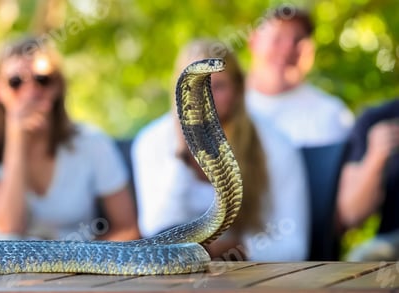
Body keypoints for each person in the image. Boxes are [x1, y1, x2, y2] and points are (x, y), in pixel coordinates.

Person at [132, 39, 310, 261]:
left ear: (238, 89)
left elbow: (294, 244)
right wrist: (182, 155)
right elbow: (156, 228)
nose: (206, 97)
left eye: (218, 86)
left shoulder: (277, 146)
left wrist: (235, 250)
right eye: (197, 86)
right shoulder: (151, 141)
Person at [0, 37, 140, 241]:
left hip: (76, 269)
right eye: (15, 82)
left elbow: (128, 228)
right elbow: (8, 228)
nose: (31, 91)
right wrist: (17, 137)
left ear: (57, 86)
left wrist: (82, 262)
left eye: (42, 79)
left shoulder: (92, 142)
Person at [246, 5, 354, 147]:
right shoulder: (217, 105)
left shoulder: (332, 115)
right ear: (254, 41)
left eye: (297, 40)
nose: (287, 49)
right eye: (277, 38)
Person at [337, 99, 399, 260]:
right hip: (392, 243)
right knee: (362, 259)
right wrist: (376, 156)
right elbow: (351, 214)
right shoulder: (378, 119)